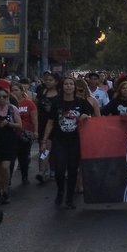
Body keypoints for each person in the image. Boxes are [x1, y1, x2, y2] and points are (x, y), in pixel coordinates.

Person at [41, 76, 94, 209]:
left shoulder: (81, 103)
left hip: (75, 141)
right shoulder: (57, 102)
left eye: (71, 84)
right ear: (62, 86)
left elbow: (91, 119)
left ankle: (69, 198)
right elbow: (50, 122)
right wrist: (44, 140)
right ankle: (60, 191)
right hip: (59, 140)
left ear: (74, 87)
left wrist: (85, 117)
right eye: (66, 84)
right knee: (59, 169)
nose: (68, 86)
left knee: (72, 170)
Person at [11, 80, 38, 185]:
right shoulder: (8, 103)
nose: (14, 92)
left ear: (22, 91)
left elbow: (34, 118)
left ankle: (24, 176)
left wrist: (35, 131)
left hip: (25, 134)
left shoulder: (28, 103)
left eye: (16, 90)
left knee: (24, 157)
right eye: (12, 90)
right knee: (12, 158)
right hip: (12, 134)